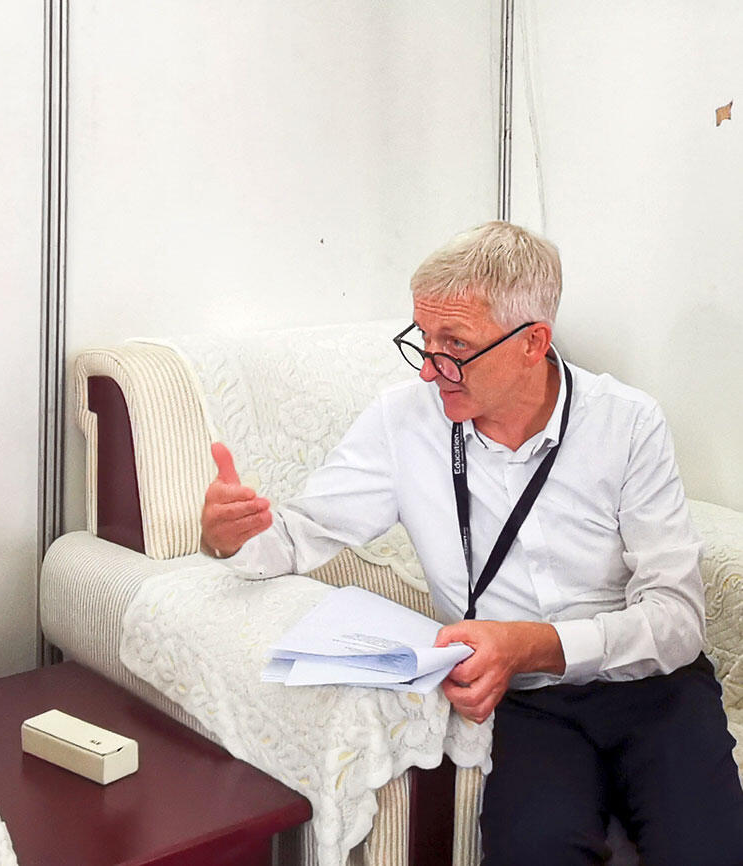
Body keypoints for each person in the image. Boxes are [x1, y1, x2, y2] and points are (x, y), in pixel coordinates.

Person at [199, 221, 743, 864]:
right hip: (531, 706)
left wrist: (532, 644)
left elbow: (677, 621)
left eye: (453, 345)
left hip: (657, 689)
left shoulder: (627, 422)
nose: (430, 370)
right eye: (422, 341)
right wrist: (233, 536)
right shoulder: (402, 421)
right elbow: (296, 538)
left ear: (532, 343)